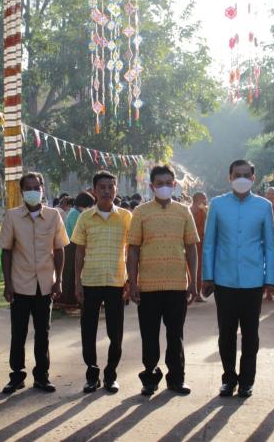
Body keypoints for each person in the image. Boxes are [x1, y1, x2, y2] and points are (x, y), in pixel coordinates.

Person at [202, 160, 274, 398]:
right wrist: (207, 276)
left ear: (254, 178)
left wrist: (270, 277)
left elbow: (269, 245)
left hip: (253, 281)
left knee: (250, 334)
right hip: (224, 280)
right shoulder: (217, 204)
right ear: (230, 177)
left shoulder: (263, 206)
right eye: (237, 175)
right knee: (226, 334)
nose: (241, 179)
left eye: (246, 175)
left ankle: (246, 381)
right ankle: (228, 378)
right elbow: (209, 243)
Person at [127, 165, 199, 396]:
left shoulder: (184, 211)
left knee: (175, 335)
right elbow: (133, 249)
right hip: (148, 286)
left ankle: (176, 379)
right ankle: (150, 378)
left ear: (175, 185)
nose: (165, 187)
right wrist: (133, 282)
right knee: (149, 335)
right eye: (160, 184)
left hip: (177, 285)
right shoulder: (140, 212)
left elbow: (191, 248)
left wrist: (193, 281)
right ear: (152, 186)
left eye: (169, 183)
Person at [0, 172, 69, 395]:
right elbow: (6, 252)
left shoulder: (54, 216)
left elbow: (59, 250)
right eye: (28, 188)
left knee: (43, 333)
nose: (32, 191)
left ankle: (42, 376)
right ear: (22, 191)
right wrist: (7, 284)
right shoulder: (12, 217)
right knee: (18, 333)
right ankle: (17, 376)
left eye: (36, 187)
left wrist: (58, 280)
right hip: (20, 284)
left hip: (45, 285)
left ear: (42, 189)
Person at [72, 171, 132, 393]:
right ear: (94, 191)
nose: (107, 191)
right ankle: (92, 375)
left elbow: (131, 251)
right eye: (102, 187)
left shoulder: (126, 217)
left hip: (117, 282)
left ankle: (110, 375)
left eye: (110, 187)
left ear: (116, 190)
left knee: (116, 333)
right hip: (91, 281)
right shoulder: (85, 218)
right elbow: (79, 252)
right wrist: (77, 283)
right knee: (88, 331)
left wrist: (130, 280)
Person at [58, 191, 95, 308]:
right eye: (90, 205)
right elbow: (79, 232)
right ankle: (68, 300)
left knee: (73, 273)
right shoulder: (75, 214)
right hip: (72, 246)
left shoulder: (76, 212)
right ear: (85, 204)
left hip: (74, 245)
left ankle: (72, 299)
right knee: (70, 273)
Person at [190, 192, 208, 302]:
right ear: (197, 199)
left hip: (200, 243)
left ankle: (197, 294)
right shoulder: (189, 211)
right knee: (193, 269)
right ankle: (192, 293)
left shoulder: (202, 211)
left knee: (198, 269)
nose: (205, 201)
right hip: (191, 242)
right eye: (204, 199)